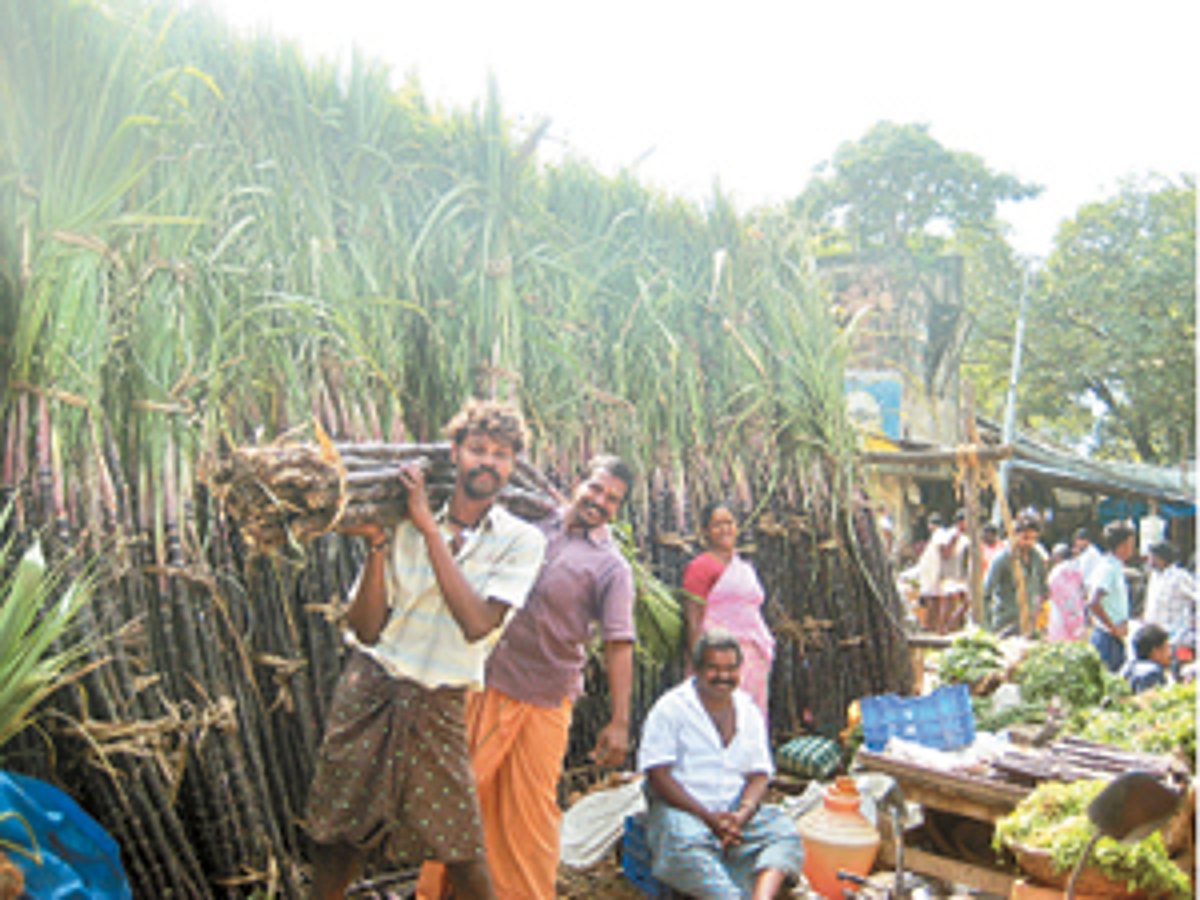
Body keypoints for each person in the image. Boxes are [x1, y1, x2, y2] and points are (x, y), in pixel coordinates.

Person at [305, 399, 548, 900]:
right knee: (339, 832)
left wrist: (429, 529)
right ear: (455, 453)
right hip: (371, 685)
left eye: (501, 454)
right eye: (477, 448)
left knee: (461, 844)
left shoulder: (521, 541)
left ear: (513, 465)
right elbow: (367, 630)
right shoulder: (399, 523)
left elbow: (477, 623)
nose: (488, 462)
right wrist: (376, 545)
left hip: (440, 700)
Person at [415, 455, 637, 900]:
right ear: (577, 481)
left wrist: (619, 721)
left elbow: (619, 642)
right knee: (462, 796)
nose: (600, 502)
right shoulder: (529, 522)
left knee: (528, 813)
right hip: (485, 681)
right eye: (595, 488)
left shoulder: (612, 567)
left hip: (543, 699)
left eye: (613, 499)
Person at [637, 628, 804, 899]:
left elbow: (760, 774)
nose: (723, 677)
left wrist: (741, 815)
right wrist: (708, 819)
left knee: (783, 832)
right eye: (713, 668)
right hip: (685, 813)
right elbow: (657, 774)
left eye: (730, 669)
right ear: (696, 669)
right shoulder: (671, 708)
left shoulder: (748, 710)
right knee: (682, 845)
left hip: (733, 816)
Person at [681, 501, 775, 717]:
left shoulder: (743, 567)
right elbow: (694, 619)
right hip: (718, 656)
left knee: (750, 716)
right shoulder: (701, 567)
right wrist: (700, 663)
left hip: (751, 656)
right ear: (705, 531)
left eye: (729, 523)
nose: (724, 529)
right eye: (716, 525)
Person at [983, 515, 1048, 635]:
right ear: (1015, 535)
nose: (1029, 543)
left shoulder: (1037, 558)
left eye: (1033, 539)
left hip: (1028, 624)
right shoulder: (1002, 559)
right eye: (1025, 538)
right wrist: (987, 626)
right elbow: (986, 593)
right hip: (1005, 624)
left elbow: (1044, 588)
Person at [1087, 521, 1136, 672]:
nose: (1132, 548)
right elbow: (1094, 602)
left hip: (1111, 637)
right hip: (1107, 638)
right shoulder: (1109, 568)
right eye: (1131, 544)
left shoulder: (1114, 566)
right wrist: (1113, 627)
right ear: (1122, 545)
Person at [1143, 540, 1196, 670]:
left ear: (1161, 558)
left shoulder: (1179, 577)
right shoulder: (1154, 576)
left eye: (1151, 557)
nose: (1149, 560)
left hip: (1175, 637)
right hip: (1154, 637)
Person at [1045, 541, 1088, 642]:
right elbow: (1084, 591)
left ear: (1058, 557)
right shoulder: (1077, 569)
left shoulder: (1056, 572)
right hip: (1077, 614)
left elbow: (1049, 591)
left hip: (1060, 614)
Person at [1120, 623, 1171, 694]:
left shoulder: (1128, 667)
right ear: (1155, 651)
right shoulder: (1152, 673)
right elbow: (1149, 702)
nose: (1170, 654)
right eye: (1167, 647)